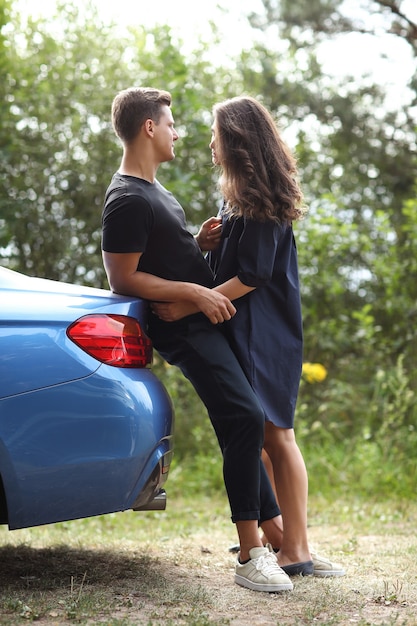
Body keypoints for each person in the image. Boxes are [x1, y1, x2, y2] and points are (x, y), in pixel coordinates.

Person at [101, 86, 295, 594]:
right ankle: (253, 554)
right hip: (180, 326)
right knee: (246, 418)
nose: (177, 132)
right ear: (149, 127)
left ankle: (275, 537)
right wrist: (193, 292)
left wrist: (197, 244)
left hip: (201, 321)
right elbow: (123, 278)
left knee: (242, 421)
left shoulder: (156, 192)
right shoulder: (124, 197)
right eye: (170, 124)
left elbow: (163, 254)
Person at [153, 96, 345, 578]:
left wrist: (194, 300)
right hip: (244, 326)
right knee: (258, 436)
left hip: (266, 331)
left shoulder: (260, 200)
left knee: (279, 435)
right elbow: (237, 265)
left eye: (216, 133)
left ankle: (296, 548)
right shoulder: (238, 197)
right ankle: (280, 538)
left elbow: (255, 275)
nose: (209, 142)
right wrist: (205, 245)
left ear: (236, 139)